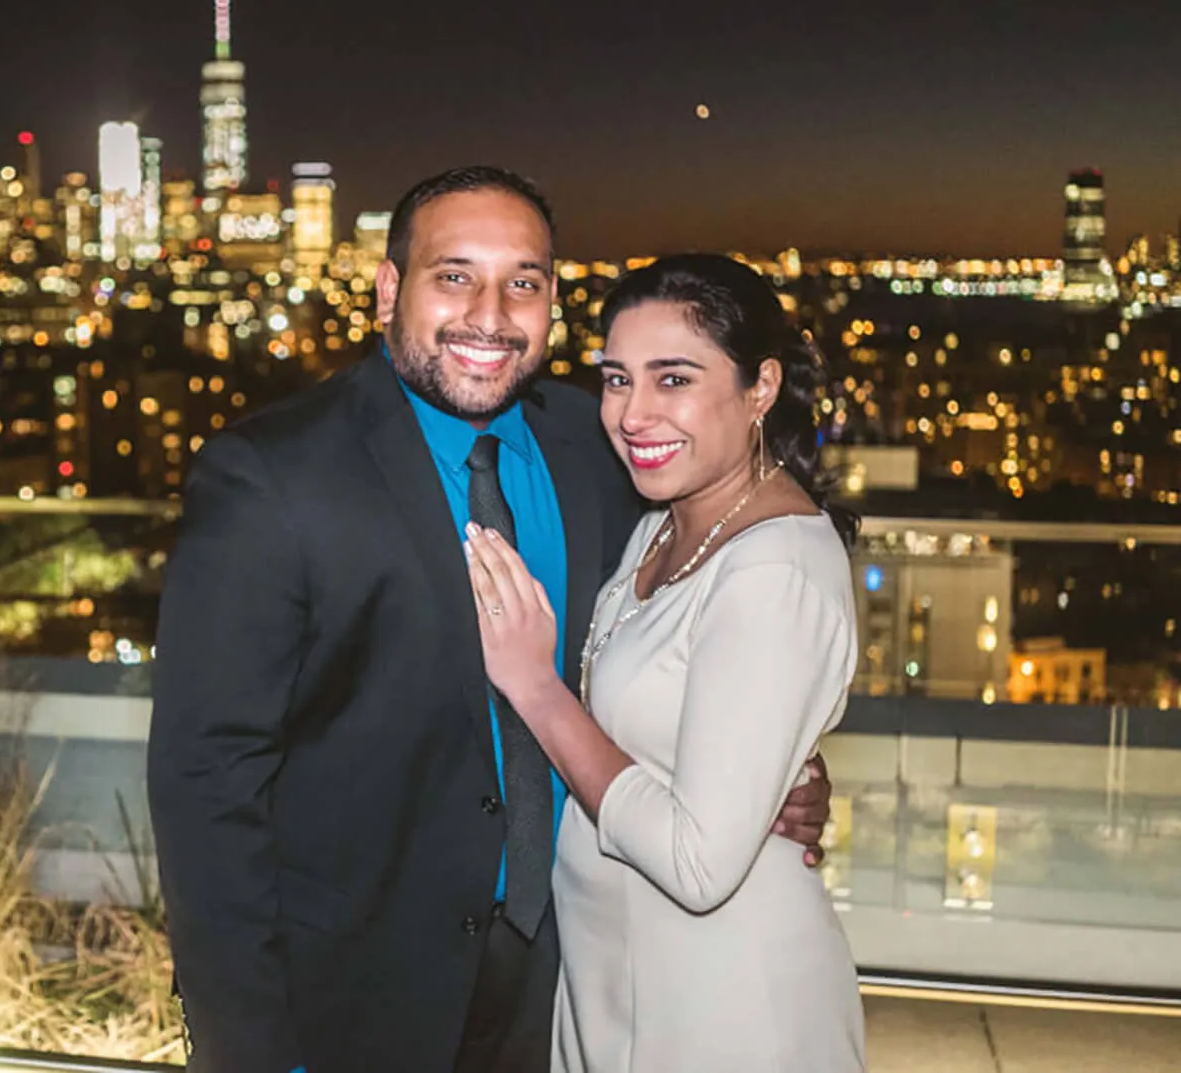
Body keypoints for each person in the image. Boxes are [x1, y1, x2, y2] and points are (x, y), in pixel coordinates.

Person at [147, 170, 833, 1073]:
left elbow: (686, 630)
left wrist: (773, 759)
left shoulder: (601, 446)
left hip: (564, 988)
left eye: (524, 281)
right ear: (390, 289)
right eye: (455, 275)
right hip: (351, 997)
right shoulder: (272, 475)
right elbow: (207, 787)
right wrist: (247, 1050)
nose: (492, 313)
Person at [463, 252, 866, 1072]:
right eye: (617, 379)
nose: (634, 414)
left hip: (720, 1007)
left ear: (759, 388)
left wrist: (537, 688)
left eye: (673, 379)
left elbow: (697, 864)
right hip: (615, 985)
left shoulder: (773, 570)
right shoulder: (668, 518)